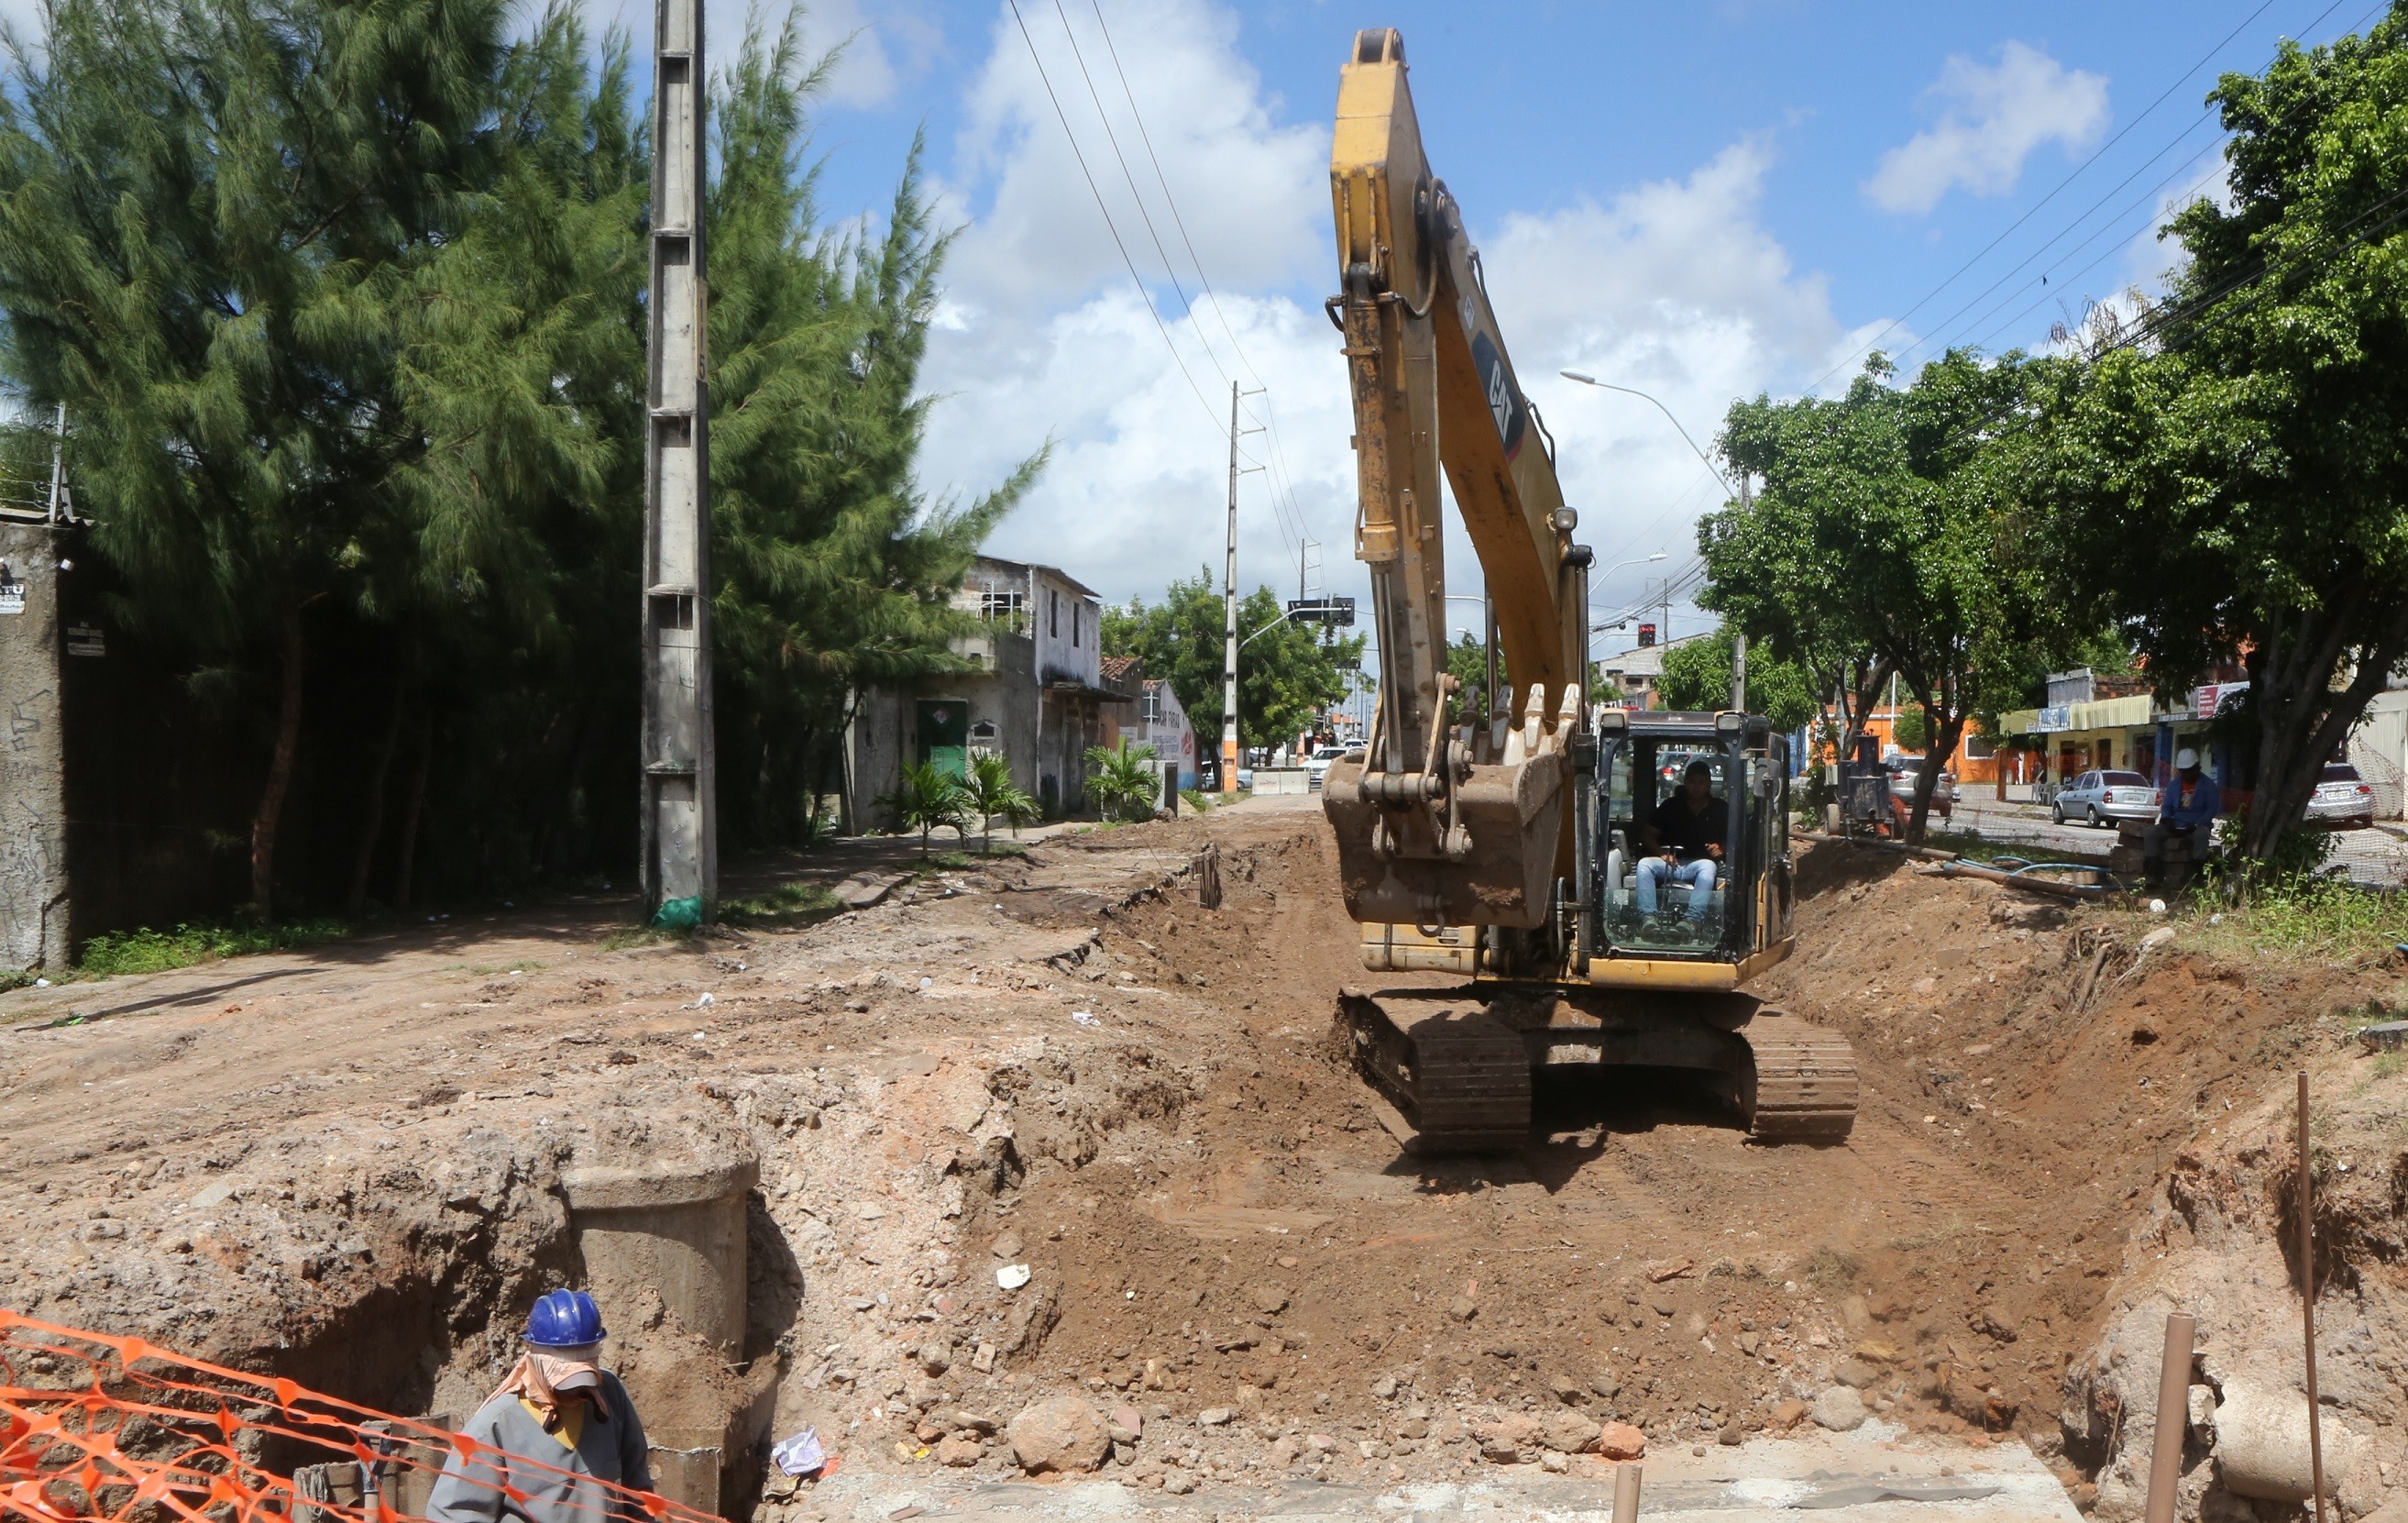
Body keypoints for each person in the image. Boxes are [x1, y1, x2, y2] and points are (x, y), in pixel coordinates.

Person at [427, 1291, 656, 1523]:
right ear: (534, 1357)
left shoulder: (611, 1397)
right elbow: (453, 1516)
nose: (577, 1390)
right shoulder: (497, 1425)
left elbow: (638, 1494)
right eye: (565, 1377)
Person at [1636, 759, 1726, 925]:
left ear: (1709, 784)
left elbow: (1735, 838)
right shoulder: (1670, 806)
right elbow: (1648, 835)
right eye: (1692, 782)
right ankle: (1648, 918)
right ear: (1685, 783)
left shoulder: (1721, 808)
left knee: (1708, 868)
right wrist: (1662, 853)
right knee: (1644, 866)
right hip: (1670, 864)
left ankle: (1691, 921)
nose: (1696, 787)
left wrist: (1722, 848)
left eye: (1701, 782)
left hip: (1700, 864)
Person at [2143, 746, 2221, 888]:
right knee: (2151, 833)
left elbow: (2212, 809)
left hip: (2196, 825)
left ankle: (2196, 875)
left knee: (2202, 835)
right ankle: (2154, 873)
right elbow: (2167, 806)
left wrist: (2198, 824)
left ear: (2198, 768)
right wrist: (2167, 819)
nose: (2187, 774)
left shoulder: (2208, 785)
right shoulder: (2174, 785)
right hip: (2176, 824)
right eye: (2184, 771)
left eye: (2190, 771)